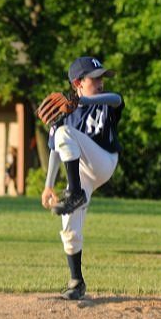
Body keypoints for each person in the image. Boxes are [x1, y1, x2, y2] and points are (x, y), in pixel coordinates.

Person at [41, 56, 124, 300]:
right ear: (78, 81)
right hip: (82, 173)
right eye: (95, 78)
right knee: (69, 226)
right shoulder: (64, 116)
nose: (101, 83)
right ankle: (76, 282)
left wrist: (83, 100)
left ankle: (75, 193)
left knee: (65, 132)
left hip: (104, 160)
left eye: (102, 78)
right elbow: (56, 149)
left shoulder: (104, 102)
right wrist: (48, 186)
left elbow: (117, 99)